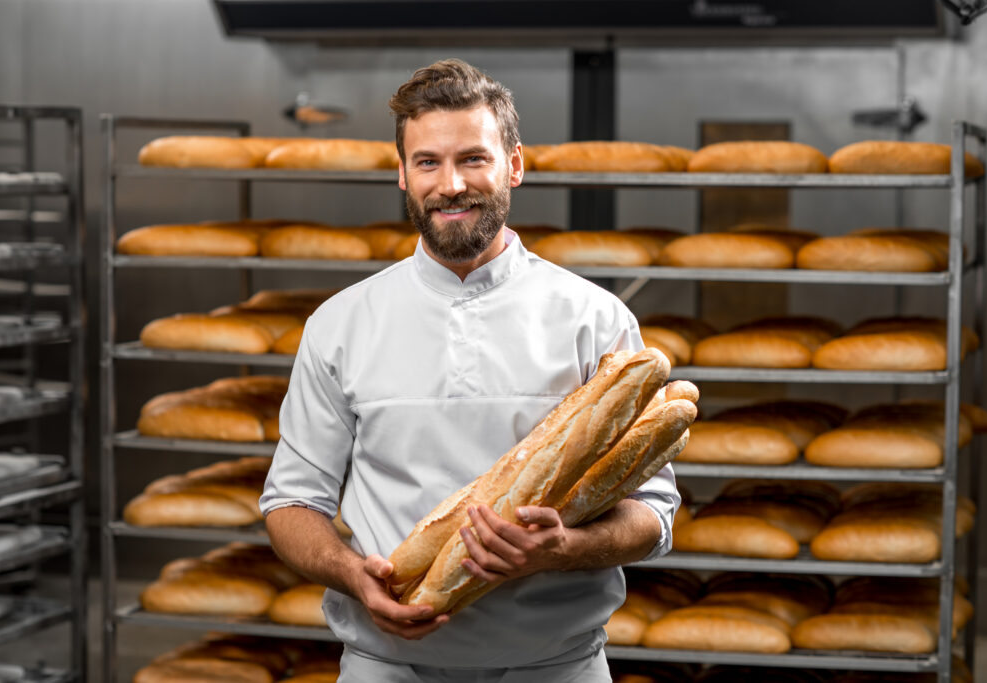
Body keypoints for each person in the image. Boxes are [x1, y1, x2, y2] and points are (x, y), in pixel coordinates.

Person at [260, 58, 680, 683]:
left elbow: (653, 511)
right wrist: (352, 574)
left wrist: (566, 550)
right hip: (387, 666)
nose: (450, 184)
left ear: (514, 164)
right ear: (402, 174)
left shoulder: (594, 319)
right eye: (427, 162)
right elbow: (292, 500)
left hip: (556, 666)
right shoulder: (341, 323)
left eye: (473, 159)